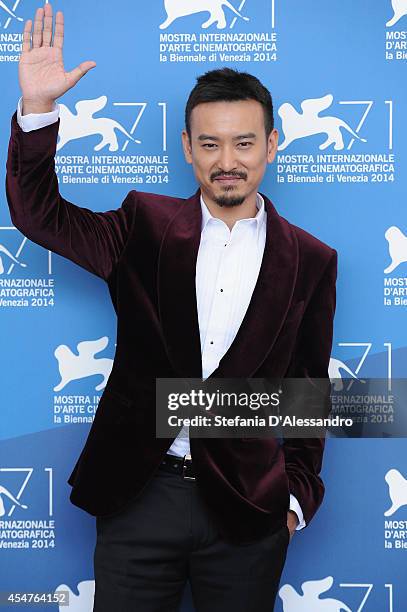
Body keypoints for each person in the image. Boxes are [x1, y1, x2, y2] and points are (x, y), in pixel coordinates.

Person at [6, 4, 337, 611]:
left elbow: (308, 391)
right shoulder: (144, 226)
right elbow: (38, 213)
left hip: (246, 509)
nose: (227, 160)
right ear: (188, 147)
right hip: (139, 496)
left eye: (244, 142)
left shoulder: (312, 260)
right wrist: (36, 111)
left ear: (272, 145)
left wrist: (292, 501)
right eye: (210, 144)